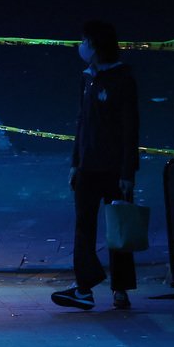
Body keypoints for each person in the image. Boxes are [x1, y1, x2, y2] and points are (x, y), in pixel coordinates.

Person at [52, 20, 140, 311]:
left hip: (114, 168)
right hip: (88, 167)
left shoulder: (122, 80)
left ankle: (121, 289)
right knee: (84, 227)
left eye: (85, 41)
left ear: (96, 45)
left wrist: (128, 172)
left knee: (119, 228)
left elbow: (130, 129)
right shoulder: (87, 78)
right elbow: (82, 123)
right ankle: (84, 287)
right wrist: (75, 162)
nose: (81, 46)